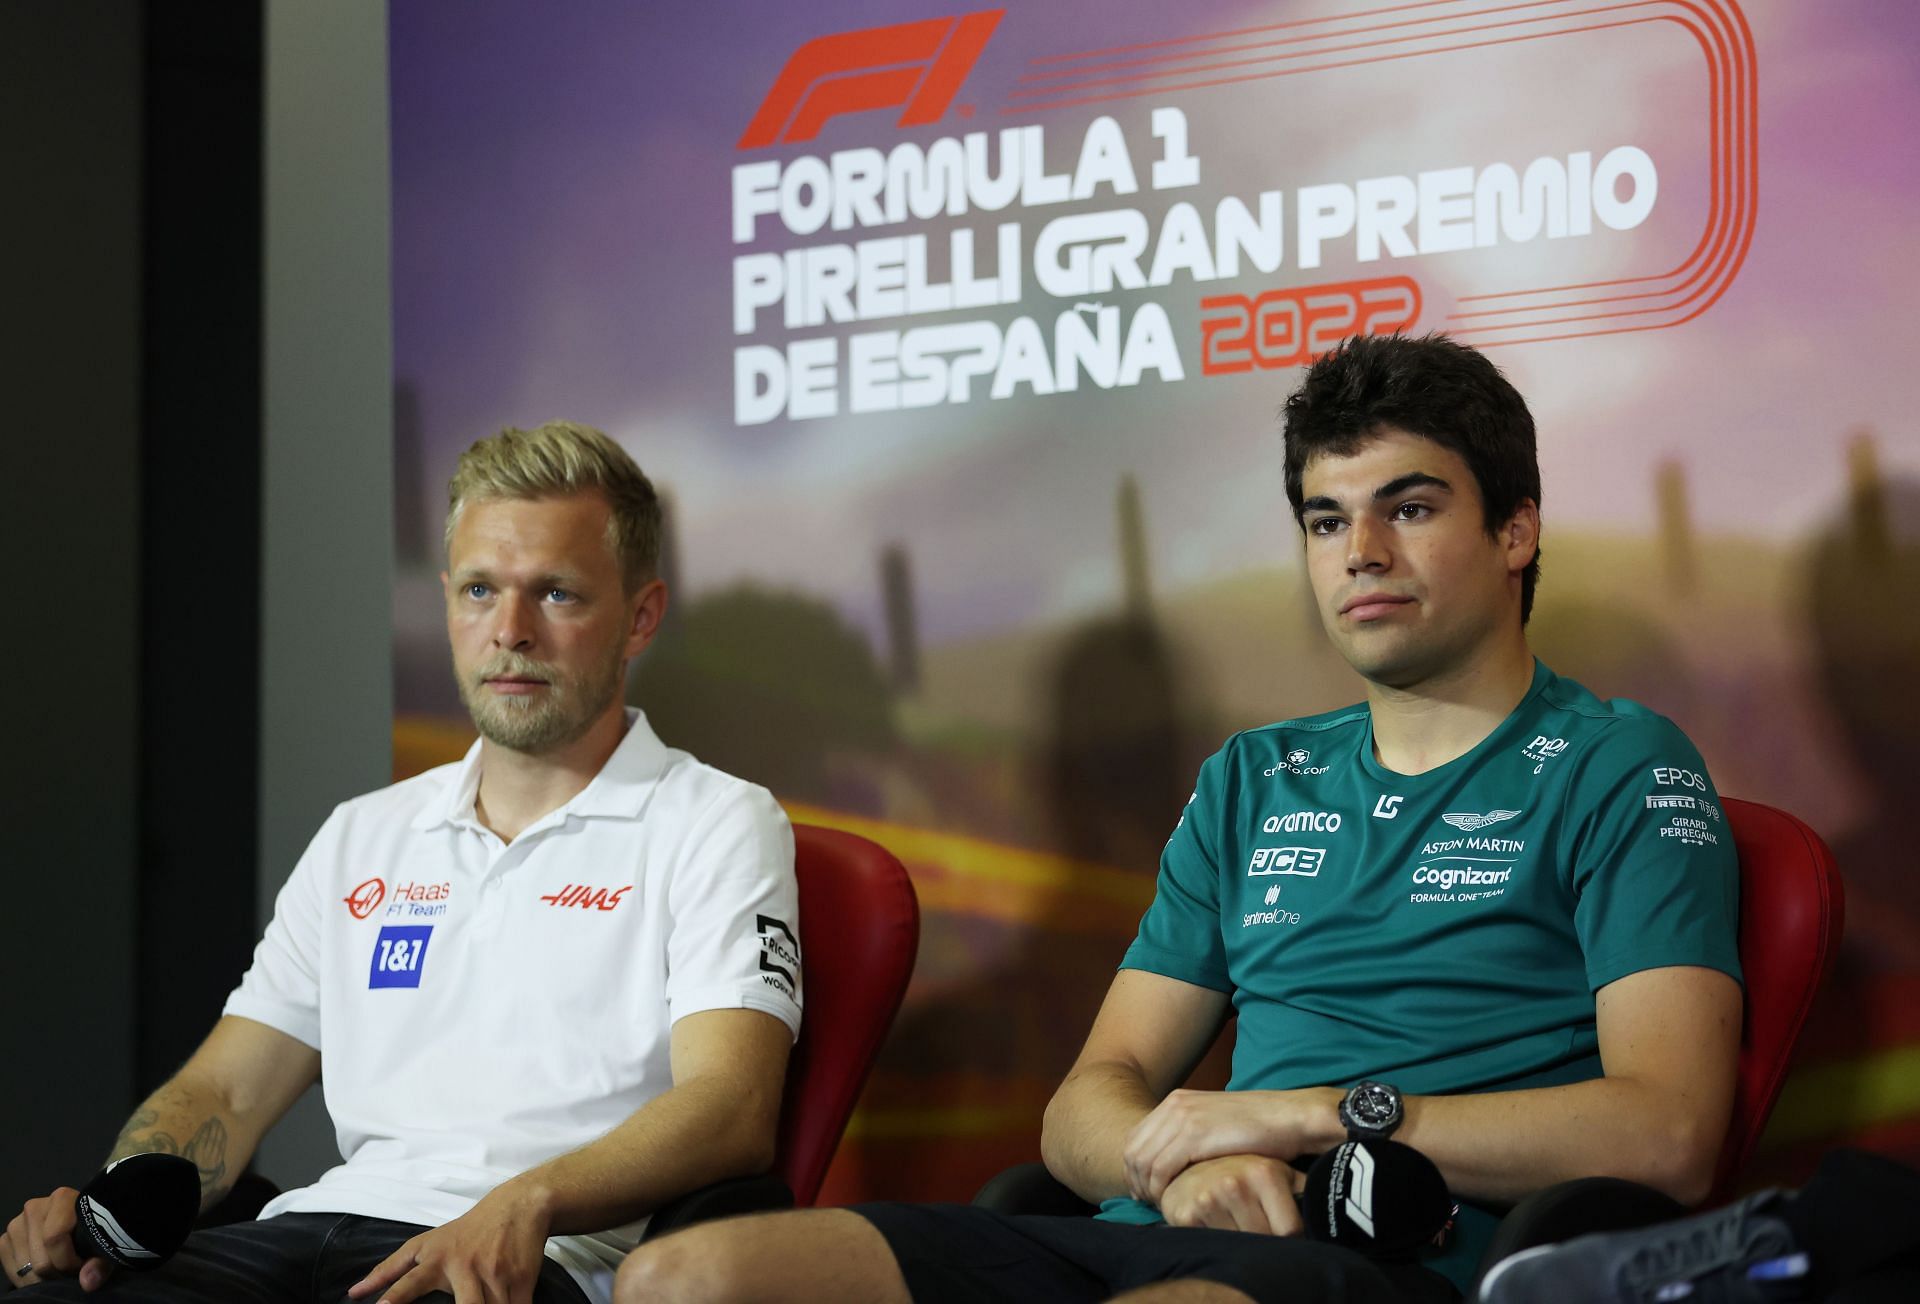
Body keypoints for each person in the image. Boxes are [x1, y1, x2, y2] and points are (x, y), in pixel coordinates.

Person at [615, 333, 1743, 1304]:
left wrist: (1310, 1120)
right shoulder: (1254, 777)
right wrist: (1177, 1170)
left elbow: (1668, 1134)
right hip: (1164, 1229)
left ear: (1516, 531)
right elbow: (1084, 1105)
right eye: (1326, 518)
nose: (1362, 552)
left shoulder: (1619, 763)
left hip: (1395, 1257)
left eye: (1410, 506)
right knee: (682, 1279)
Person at [2, 422, 802, 1304]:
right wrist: (116, 1205)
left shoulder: (717, 821)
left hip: (525, 1263)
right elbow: (227, 1091)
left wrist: (526, 1199)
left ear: (641, 617)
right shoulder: (363, 834)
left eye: (558, 595)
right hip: (304, 1239)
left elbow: (732, 1106)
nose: (510, 631)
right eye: (478, 590)